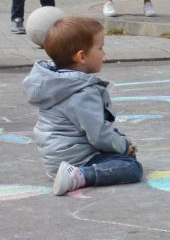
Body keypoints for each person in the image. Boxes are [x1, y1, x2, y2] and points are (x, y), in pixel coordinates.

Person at [21, 15, 142, 196]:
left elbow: (91, 127)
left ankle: (70, 174)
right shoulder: (82, 92)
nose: (104, 53)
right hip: (76, 160)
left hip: (58, 158)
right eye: (100, 48)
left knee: (120, 148)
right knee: (131, 166)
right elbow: (98, 134)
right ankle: (80, 176)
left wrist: (119, 138)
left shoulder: (57, 82)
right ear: (81, 56)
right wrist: (123, 146)